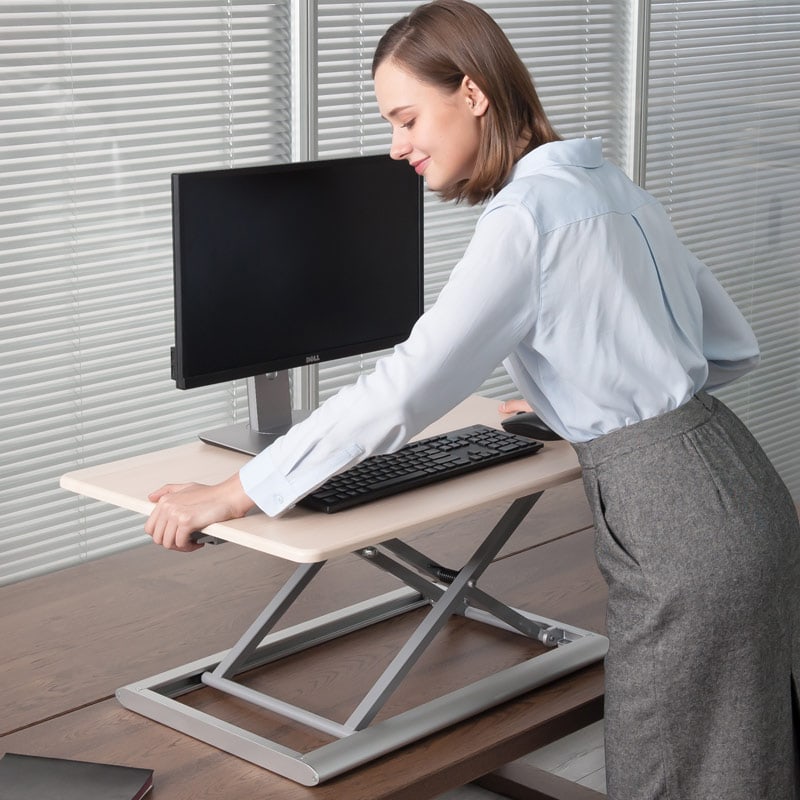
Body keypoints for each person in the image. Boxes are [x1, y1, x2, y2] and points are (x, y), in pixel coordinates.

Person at [145, 1, 800, 796]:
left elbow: (405, 389)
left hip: (675, 523)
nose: (398, 146)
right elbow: (730, 348)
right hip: (745, 490)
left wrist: (233, 490)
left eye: (407, 116)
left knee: (665, 771)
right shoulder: (610, 185)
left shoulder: (525, 217)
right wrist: (597, 408)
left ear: (474, 93)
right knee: (746, 766)